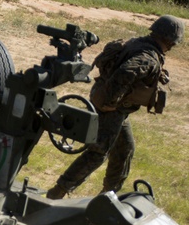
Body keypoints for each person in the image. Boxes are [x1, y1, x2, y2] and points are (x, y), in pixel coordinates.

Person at [46, 14, 184, 200]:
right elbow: (127, 71)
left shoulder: (137, 43)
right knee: (99, 152)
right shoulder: (148, 57)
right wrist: (111, 101)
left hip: (115, 107)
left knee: (125, 149)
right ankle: (59, 191)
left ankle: (108, 196)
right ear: (170, 40)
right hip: (113, 109)